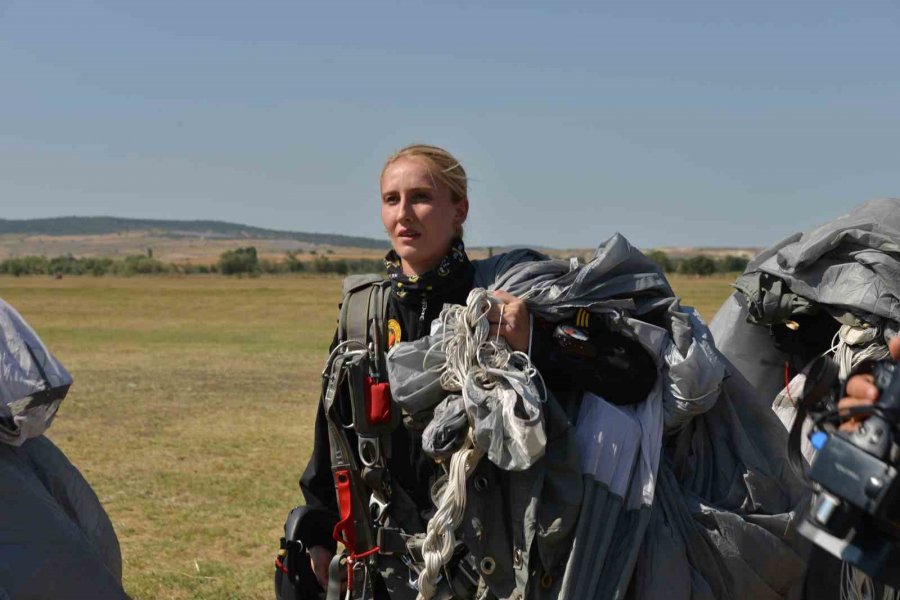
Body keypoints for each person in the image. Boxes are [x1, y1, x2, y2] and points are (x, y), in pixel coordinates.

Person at [294, 144, 533, 597]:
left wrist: (529, 343)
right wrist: (320, 531)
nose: (404, 214)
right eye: (391, 200)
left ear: (460, 209)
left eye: (421, 197)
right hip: (389, 565)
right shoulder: (362, 315)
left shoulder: (499, 304)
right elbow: (333, 440)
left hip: (491, 561)